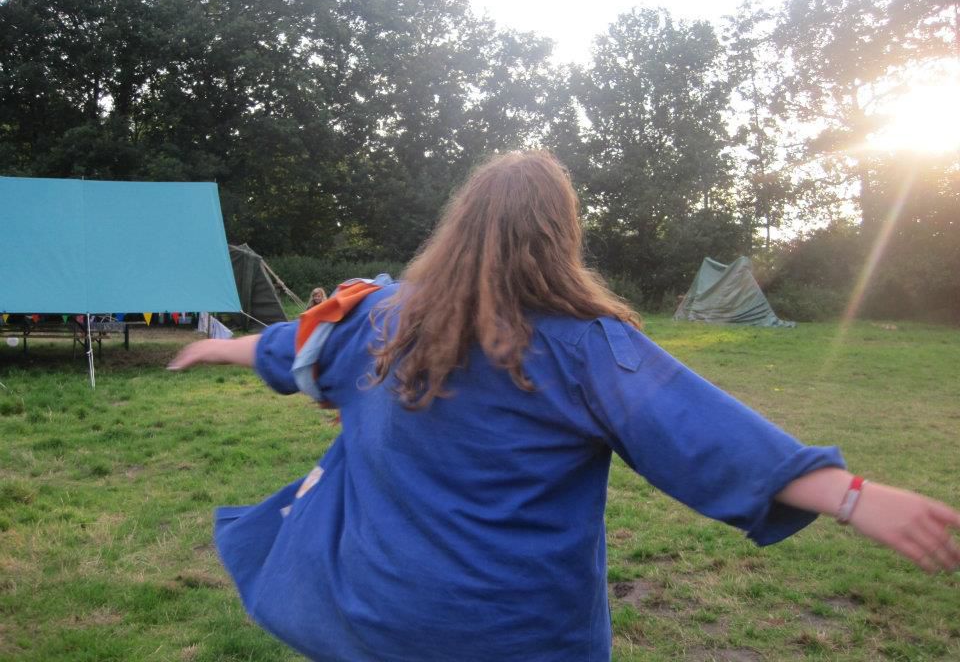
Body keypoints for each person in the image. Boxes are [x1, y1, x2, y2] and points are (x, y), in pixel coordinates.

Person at [168, 151, 959, 662]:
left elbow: (288, 346)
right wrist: (852, 496)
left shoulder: (379, 319)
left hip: (381, 618)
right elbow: (705, 435)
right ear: (560, 235)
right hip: (520, 638)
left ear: (460, 227)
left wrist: (216, 348)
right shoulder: (588, 348)